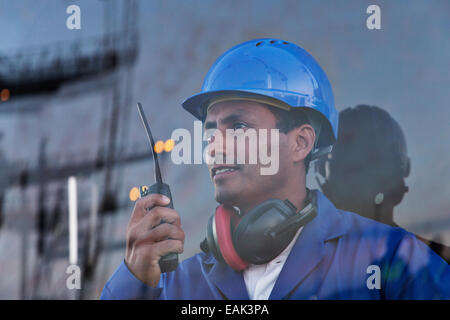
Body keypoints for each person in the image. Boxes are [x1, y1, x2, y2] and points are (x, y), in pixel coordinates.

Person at [101, 39, 449, 300]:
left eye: (237, 127)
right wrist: (132, 280)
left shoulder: (393, 260)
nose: (215, 144)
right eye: (210, 130)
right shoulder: (174, 284)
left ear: (300, 143)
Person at [315, 104, 450, 263]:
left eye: (356, 169)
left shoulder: (303, 265)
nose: (357, 184)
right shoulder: (435, 265)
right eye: (349, 168)